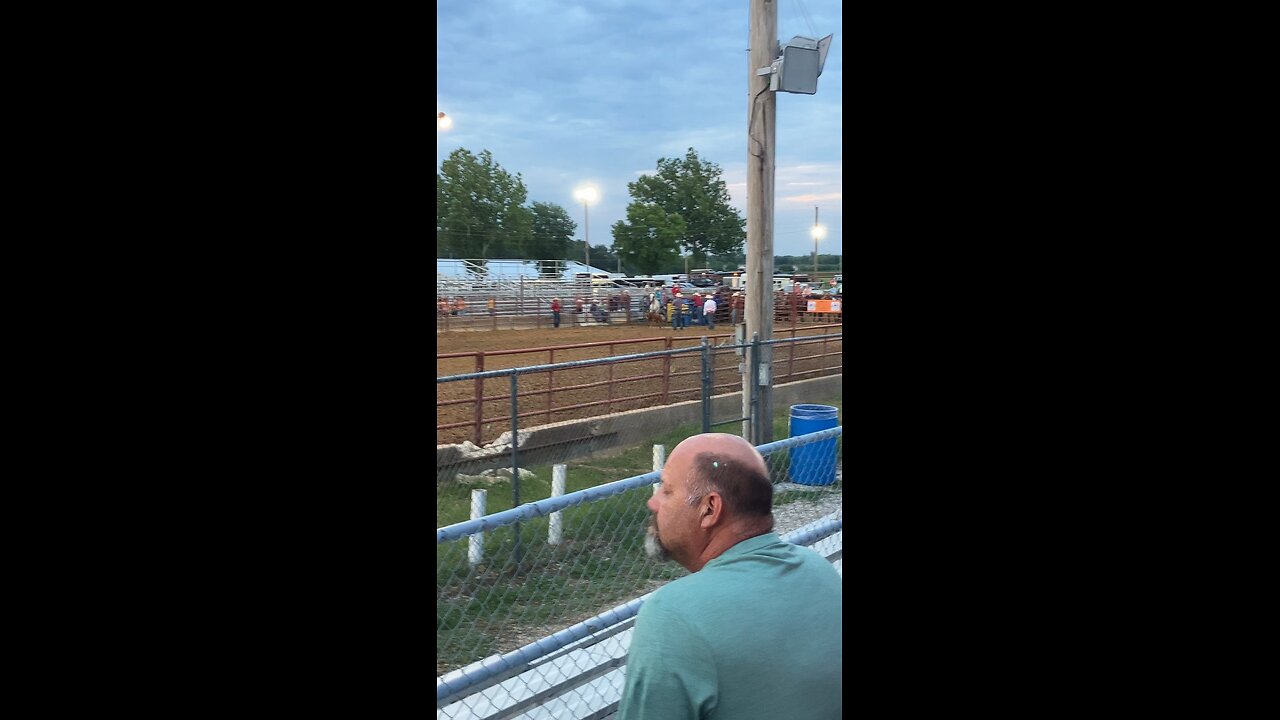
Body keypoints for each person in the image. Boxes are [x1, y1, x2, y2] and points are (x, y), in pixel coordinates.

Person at [617, 433, 841, 720]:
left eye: (667, 490)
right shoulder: (819, 571)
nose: (653, 502)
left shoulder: (674, 616)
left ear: (709, 509)